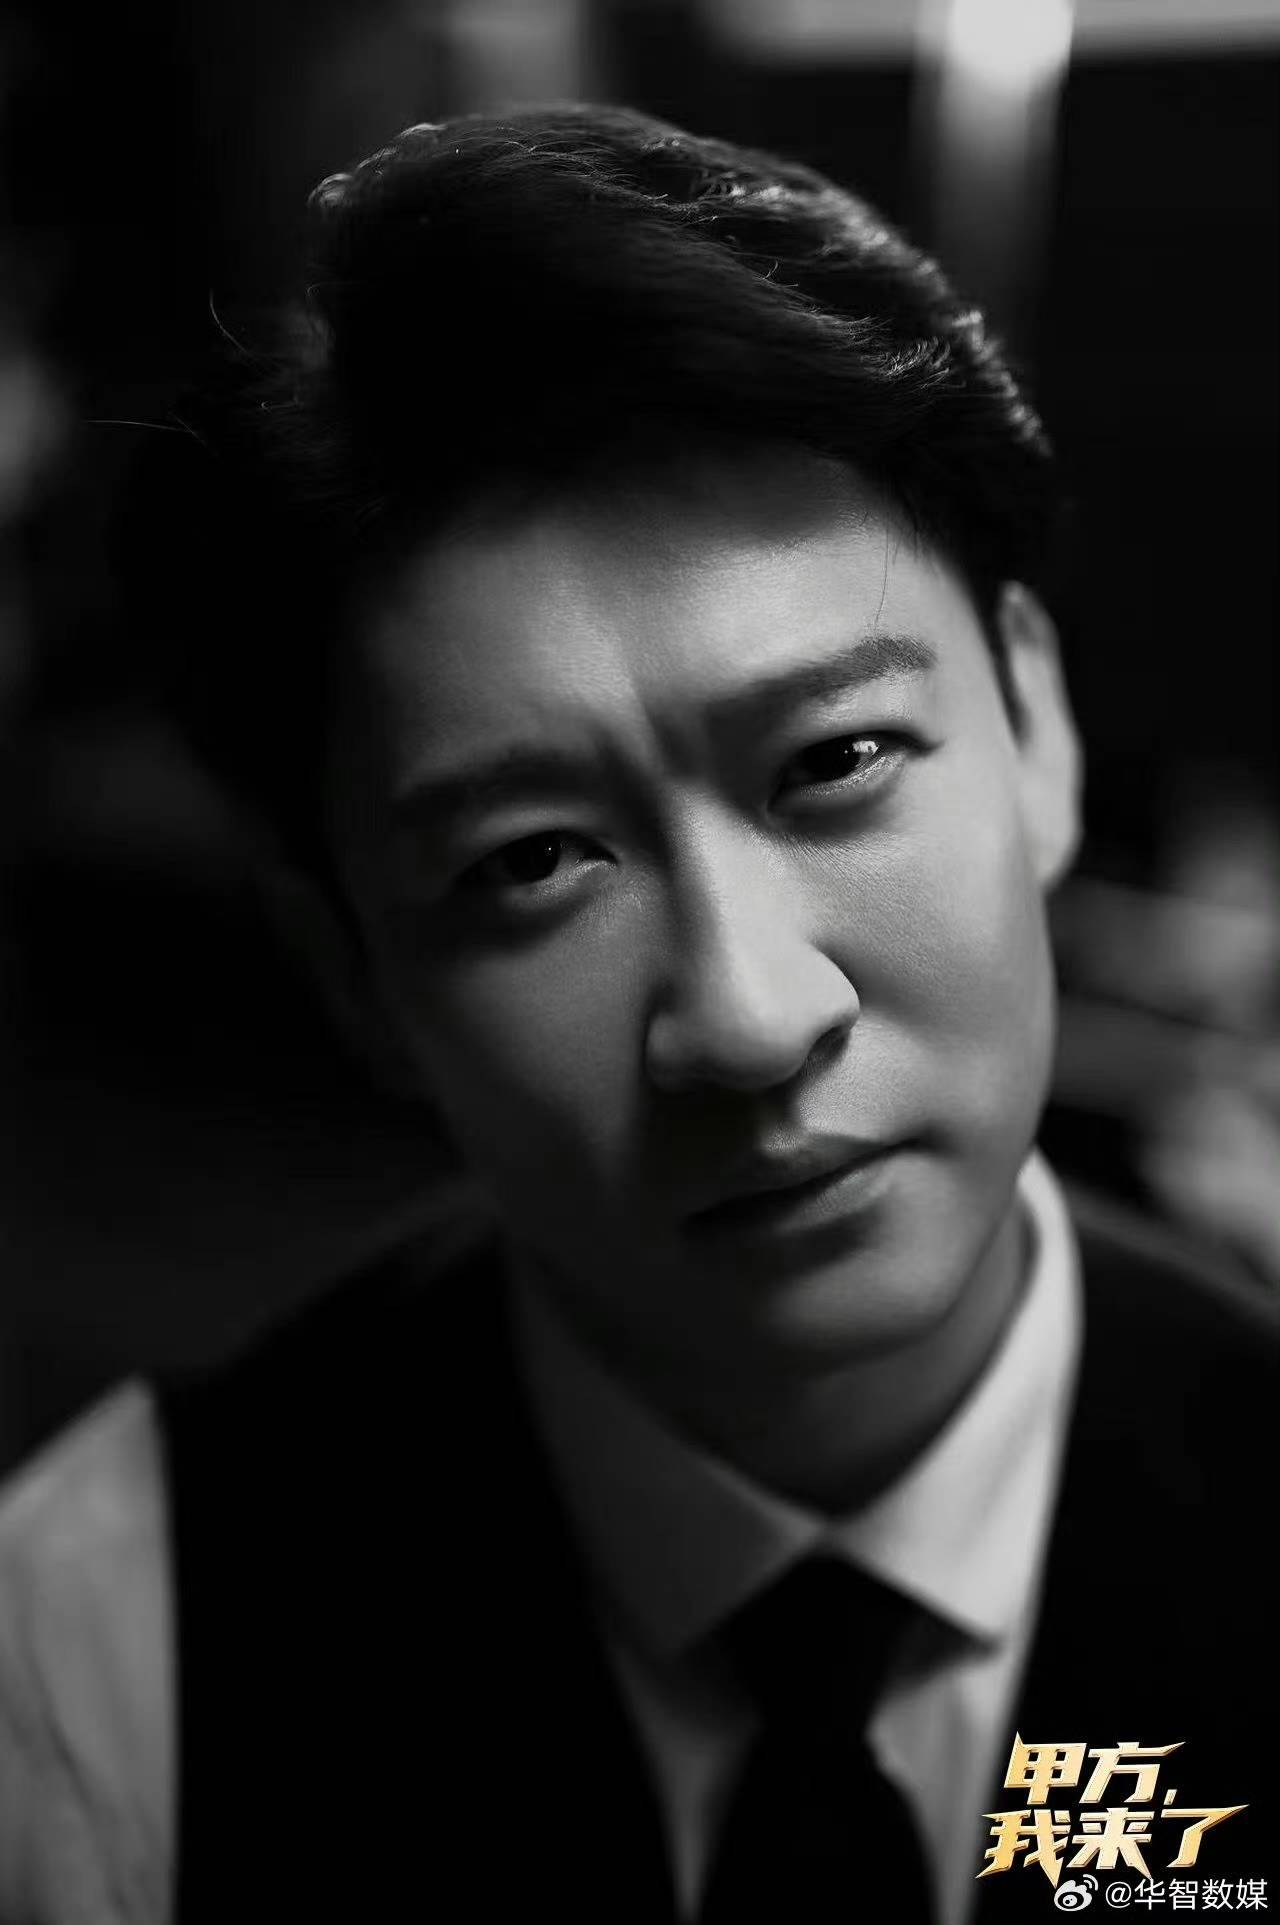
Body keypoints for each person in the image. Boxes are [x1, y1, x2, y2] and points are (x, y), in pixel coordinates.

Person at [0, 103, 1274, 1925]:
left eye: (834, 761)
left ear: (1035, 727)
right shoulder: (93, 1666)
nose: (749, 1016)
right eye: (531, 862)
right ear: (353, 966)